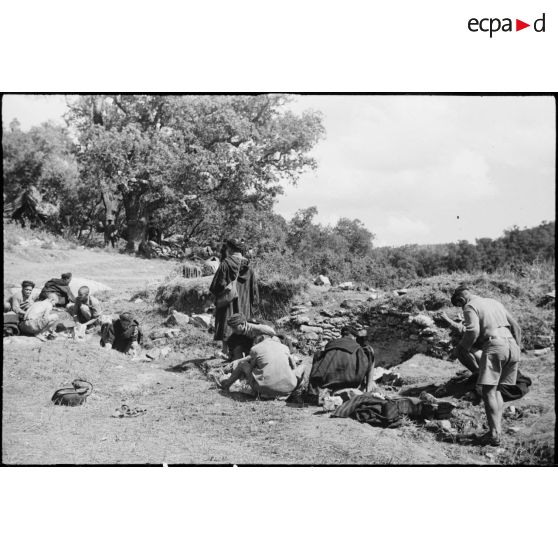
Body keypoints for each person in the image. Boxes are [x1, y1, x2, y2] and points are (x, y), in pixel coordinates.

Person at [449, 285, 521, 446]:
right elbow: (516, 327)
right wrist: (518, 348)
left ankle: (494, 434)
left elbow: (473, 330)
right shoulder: (493, 302)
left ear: (461, 299)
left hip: (495, 346)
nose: (461, 307)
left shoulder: (470, 306)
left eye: (459, 304)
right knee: (497, 390)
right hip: (512, 346)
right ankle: (497, 431)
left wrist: (463, 348)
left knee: (487, 391)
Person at [219, 335, 304, 399]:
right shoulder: (285, 347)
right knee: (302, 367)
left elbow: (252, 368)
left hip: (263, 388)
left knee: (243, 365)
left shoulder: (255, 348)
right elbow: (294, 366)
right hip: (289, 388)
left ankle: (226, 386)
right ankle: (297, 393)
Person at [307, 325, 374, 395]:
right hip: (351, 380)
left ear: (342, 335)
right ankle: (368, 389)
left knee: (318, 354)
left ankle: (314, 392)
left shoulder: (331, 344)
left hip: (327, 381)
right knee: (369, 352)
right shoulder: (358, 347)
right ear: (354, 337)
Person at [210, 238, 246, 355]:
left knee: (226, 321)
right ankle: (239, 351)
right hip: (243, 300)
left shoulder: (226, 263)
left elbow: (217, 285)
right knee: (240, 323)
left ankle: (225, 351)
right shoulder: (248, 265)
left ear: (229, 249)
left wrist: (216, 294)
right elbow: (253, 286)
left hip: (227, 301)